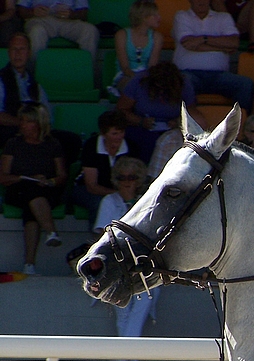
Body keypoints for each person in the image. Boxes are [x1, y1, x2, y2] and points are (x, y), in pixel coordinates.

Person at [92, 157, 161, 336]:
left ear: (138, 180)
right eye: (122, 178)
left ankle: (127, 356)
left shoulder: (145, 202)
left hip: (143, 267)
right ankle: (127, 357)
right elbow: (101, 234)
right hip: (116, 266)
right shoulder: (109, 200)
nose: (127, 182)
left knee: (142, 304)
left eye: (132, 178)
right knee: (122, 312)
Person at [0, 102, 66, 275]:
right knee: (31, 191)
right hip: (18, 188)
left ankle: (29, 264)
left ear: (38, 123)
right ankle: (51, 231)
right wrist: (22, 178)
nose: (22, 124)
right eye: (21, 120)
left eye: (27, 121)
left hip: (46, 189)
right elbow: (3, 176)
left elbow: (61, 176)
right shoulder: (13, 144)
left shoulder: (53, 145)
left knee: (32, 206)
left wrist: (50, 181)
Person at [171, 0, 254, 111]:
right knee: (182, 81)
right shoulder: (181, 16)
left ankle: (239, 124)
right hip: (189, 74)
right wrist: (223, 47)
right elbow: (188, 43)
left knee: (245, 84)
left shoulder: (224, 17)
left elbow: (234, 43)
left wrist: (203, 39)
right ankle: (186, 122)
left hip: (219, 76)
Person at [117, 62, 206, 164]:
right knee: (147, 142)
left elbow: (192, 112)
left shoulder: (184, 83)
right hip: (141, 127)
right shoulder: (138, 81)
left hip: (173, 128)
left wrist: (178, 121)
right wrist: (140, 121)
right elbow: (122, 110)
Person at [72, 110, 138, 226]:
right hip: (86, 189)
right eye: (114, 134)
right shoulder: (91, 146)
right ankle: (98, 239)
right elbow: (91, 186)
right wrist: (118, 193)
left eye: (121, 132)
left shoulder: (132, 147)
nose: (119, 137)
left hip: (121, 189)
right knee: (99, 203)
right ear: (103, 133)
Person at [0, 32, 50, 147]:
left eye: (22, 49)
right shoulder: (1, 79)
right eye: (14, 49)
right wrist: (23, 124)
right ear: (8, 53)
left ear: (29, 53)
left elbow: (47, 116)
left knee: (70, 140)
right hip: (9, 132)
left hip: (36, 132)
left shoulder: (36, 85)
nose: (18, 54)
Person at [109, 1, 163, 97]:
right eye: (154, 15)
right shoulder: (122, 35)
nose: (159, 18)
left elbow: (152, 67)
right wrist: (137, 78)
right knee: (132, 86)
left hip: (147, 77)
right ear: (143, 17)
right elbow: (125, 68)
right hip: (125, 76)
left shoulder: (157, 37)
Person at [17, 0, 99, 60]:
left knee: (90, 30)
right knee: (36, 31)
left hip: (68, 21)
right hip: (41, 20)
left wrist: (71, 14)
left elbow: (84, 13)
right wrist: (33, 12)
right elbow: (21, 10)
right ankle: (32, 77)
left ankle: (86, 75)